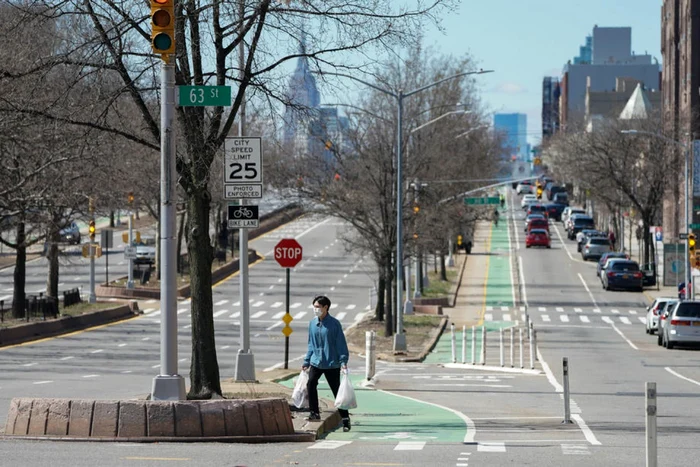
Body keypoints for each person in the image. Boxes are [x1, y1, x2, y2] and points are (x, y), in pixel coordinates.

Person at [303, 295, 351, 432]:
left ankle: (345, 418)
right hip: (316, 362)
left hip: (331, 363)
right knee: (311, 383)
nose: (315, 309)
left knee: (337, 391)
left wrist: (343, 361)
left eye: (318, 307)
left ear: (326, 307)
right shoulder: (312, 323)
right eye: (314, 307)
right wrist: (307, 361)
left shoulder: (334, 324)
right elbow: (311, 344)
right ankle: (314, 412)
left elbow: (340, 343)